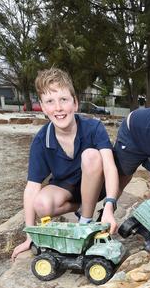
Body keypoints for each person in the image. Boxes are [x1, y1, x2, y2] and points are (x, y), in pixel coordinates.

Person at [11, 68, 119, 260]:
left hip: (95, 183)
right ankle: (80, 206)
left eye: (63, 99)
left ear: (75, 103)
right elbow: (32, 187)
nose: (58, 108)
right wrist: (30, 235)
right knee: (41, 204)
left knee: (91, 156)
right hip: (66, 187)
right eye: (50, 102)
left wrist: (109, 206)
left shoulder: (93, 128)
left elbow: (110, 167)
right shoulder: (41, 140)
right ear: (43, 108)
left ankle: (85, 221)